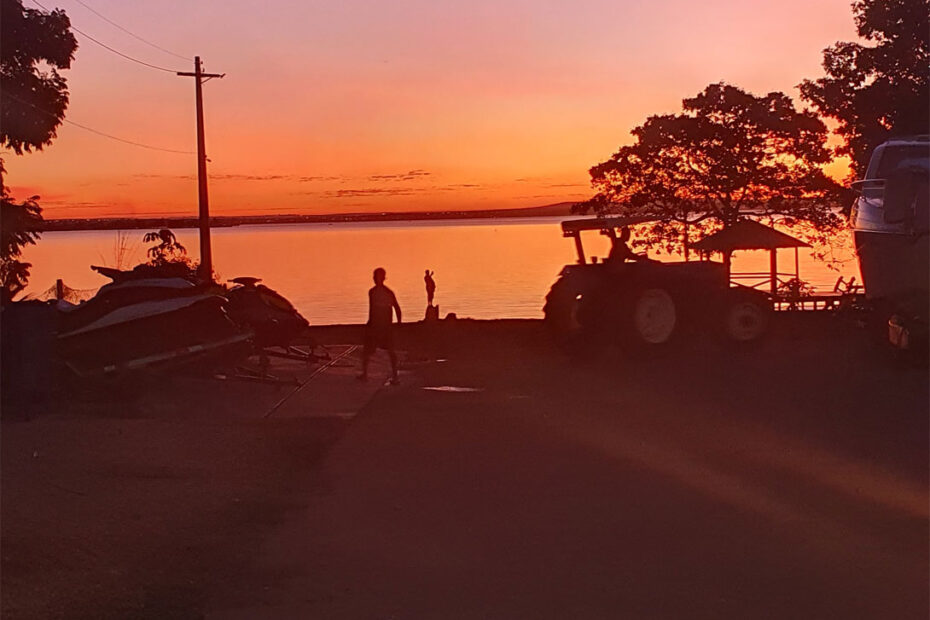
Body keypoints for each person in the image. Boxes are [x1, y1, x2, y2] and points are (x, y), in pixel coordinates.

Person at [359, 267, 402, 384]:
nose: (374, 279)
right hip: (375, 325)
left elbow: (396, 308)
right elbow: (372, 309)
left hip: (385, 326)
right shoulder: (372, 292)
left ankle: (395, 376)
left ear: (382, 278)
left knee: (390, 351)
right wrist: (369, 323)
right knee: (367, 350)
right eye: (374, 276)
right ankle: (365, 374)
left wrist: (398, 324)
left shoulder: (388, 293)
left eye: (376, 276)